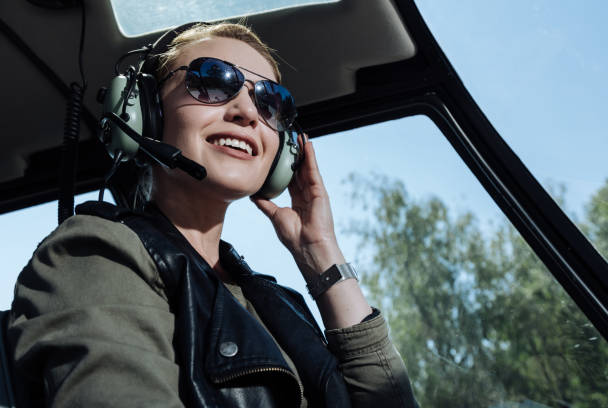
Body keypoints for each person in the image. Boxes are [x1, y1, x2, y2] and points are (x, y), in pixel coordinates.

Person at [8, 22, 419, 407]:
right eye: (210, 81)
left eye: (271, 102)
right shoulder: (94, 254)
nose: (247, 112)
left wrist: (321, 253)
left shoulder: (279, 303)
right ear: (145, 112)